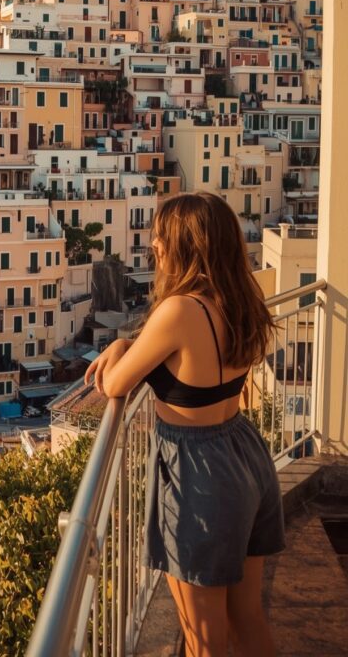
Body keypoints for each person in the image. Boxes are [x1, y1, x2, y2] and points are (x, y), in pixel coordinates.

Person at [85, 193, 283, 657]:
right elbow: (180, 355)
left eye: (161, 237)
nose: (154, 245)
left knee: (202, 640)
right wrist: (133, 343)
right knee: (247, 621)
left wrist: (118, 348)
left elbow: (114, 384)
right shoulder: (238, 301)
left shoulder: (178, 310)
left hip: (198, 476)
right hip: (244, 455)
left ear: (184, 245)